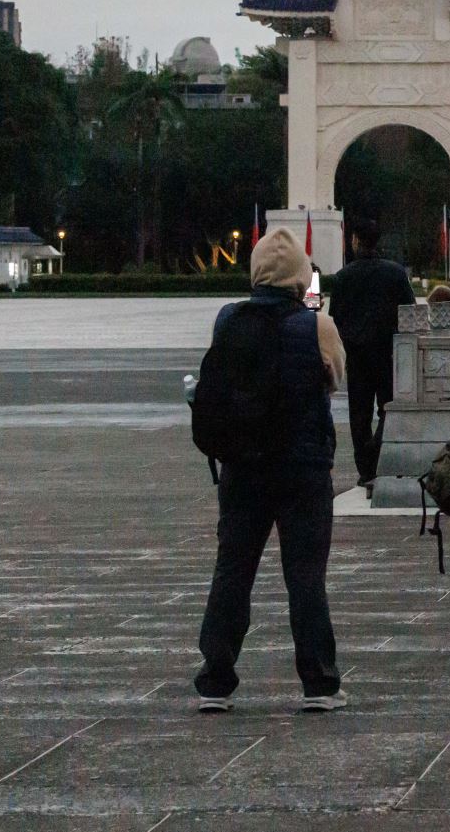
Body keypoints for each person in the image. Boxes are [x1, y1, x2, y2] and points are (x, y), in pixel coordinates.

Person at [195, 227, 349, 714]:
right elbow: (335, 379)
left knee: (233, 571)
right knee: (305, 576)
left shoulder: (228, 319)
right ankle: (318, 683)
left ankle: (216, 680)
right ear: (302, 275)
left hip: (242, 465)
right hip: (301, 467)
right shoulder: (315, 324)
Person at [326, 216, 415, 492]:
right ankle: (377, 452)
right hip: (389, 354)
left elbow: (335, 318)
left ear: (354, 240)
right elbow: (410, 313)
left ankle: (366, 470)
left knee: (359, 415)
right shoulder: (396, 273)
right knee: (389, 408)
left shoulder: (343, 277)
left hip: (357, 355)